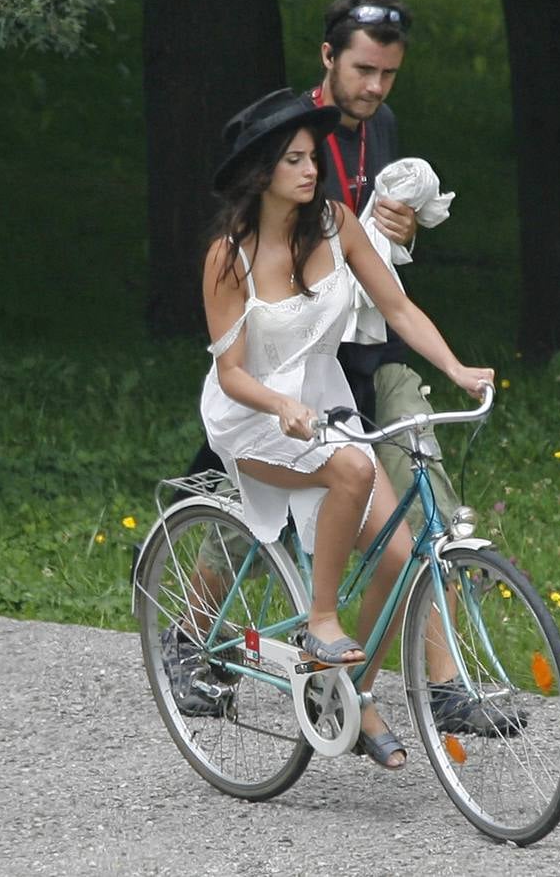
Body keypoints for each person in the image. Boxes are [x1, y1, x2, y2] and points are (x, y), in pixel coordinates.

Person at [192, 87, 493, 769]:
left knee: (395, 553)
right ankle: (320, 622)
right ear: (261, 170)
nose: (309, 170)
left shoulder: (334, 224)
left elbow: (397, 306)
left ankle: (349, 697)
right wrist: (280, 408)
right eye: (293, 159)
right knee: (353, 467)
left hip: (324, 405)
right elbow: (232, 372)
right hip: (252, 415)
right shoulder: (228, 257)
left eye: (311, 158)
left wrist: (456, 367)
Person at [187, 0, 460, 538]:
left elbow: (375, 247)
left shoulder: (382, 126)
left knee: (423, 493)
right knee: (254, 517)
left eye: (389, 74)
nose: (375, 87)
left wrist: (403, 231)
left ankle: (441, 582)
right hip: (295, 351)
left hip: (370, 343)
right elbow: (256, 240)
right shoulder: (290, 135)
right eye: (363, 70)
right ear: (329, 57)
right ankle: (191, 618)